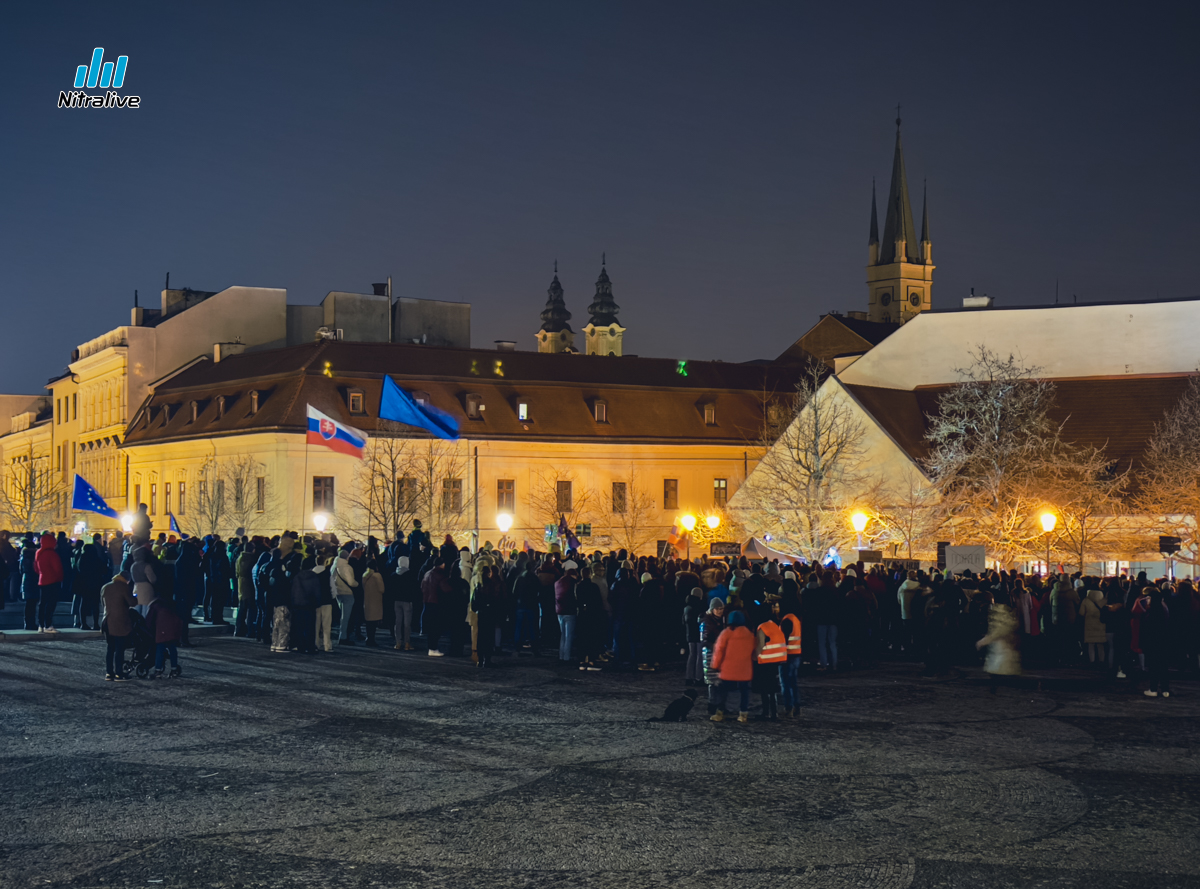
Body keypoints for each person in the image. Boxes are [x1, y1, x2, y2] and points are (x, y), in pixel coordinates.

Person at [710, 609, 756, 724]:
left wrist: (715, 665)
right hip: (745, 669)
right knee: (744, 692)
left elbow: (719, 650)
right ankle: (743, 714)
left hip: (728, 670)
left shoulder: (726, 633)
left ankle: (720, 713)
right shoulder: (750, 634)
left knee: (723, 692)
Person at [1135, 585, 1172, 698]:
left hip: (1153, 643)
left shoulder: (1151, 612)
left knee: (1154, 666)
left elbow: (1146, 629)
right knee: (1163, 666)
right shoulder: (1164, 608)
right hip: (1163, 641)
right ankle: (1165, 689)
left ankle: (1153, 688)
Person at [753, 600, 786, 721]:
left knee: (765, 689)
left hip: (766, 661)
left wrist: (755, 657)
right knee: (773, 689)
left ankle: (766, 712)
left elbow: (760, 646)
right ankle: (774, 713)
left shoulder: (762, 627)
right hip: (777, 660)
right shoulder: (774, 625)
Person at [102, 573, 137, 681]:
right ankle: (119, 673)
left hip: (107, 621)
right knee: (119, 648)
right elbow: (132, 602)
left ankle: (109, 673)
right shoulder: (124, 587)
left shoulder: (105, 586)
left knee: (110, 648)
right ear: (127, 580)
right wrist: (135, 596)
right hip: (120, 622)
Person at [145, 590, 183, 678]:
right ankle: (174, 668)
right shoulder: (172, 604)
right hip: (173, 630)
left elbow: (149, 620)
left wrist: (148, 630)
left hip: (161, 631)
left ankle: (158, 670)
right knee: (172, 649)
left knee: (160, 649)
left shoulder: (155, 605)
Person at [35, 532, 63, 633]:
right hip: (53, 581)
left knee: (42, 604)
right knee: (51, 604)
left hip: (42, 581)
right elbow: (58, 569)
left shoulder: (39, 553)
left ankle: (41, 625)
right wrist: (60, 578)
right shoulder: (52, 554)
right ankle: (48, 624)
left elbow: (36, 568)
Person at [331, 544, 359, 646]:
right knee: (346, 617)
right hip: (347, 593)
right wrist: (357, 584)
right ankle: (343, 637)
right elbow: (351, 582)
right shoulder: (346, 567)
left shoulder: (334, 565)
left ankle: (342, 636)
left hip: (338, 592)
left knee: (342, 616)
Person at [393, 556, 419, 651]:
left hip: (396, 601)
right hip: (407, 601)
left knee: (398, 621)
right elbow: (415, 589)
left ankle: (398, 642)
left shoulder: (394, 575)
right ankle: (407, 643)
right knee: (407, 623)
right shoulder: (411, 575)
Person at [554, 566, 579, 663]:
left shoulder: (557, 583)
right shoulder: (573, 583)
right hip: (570, 611)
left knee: (563, 635)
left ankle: (561, 655)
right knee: (569, 635)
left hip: (559, 611)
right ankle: (567, 657)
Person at [234, 541, 258, 637]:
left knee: (242, 609)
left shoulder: (240, 558)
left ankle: (239, 629)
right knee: (250, 609)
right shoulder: (251, 559)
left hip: (241, 586)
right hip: (248, 586)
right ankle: (250, 630)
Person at [362, 559, 385, 647]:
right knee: (374, 621)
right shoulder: (377, 575)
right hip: (376, 600)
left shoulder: (365, 575)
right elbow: (381, 589)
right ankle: (371, 639)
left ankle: (368, 637)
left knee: (369, 621)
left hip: (367, 600)